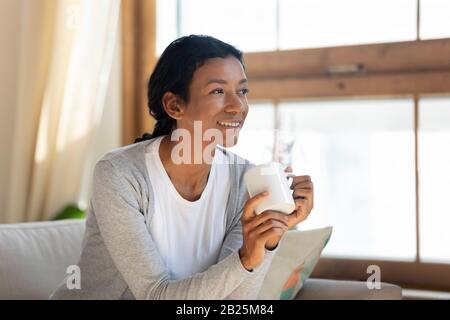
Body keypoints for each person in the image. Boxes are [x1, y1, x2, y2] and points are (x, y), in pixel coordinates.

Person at [50, 35, 314, 300]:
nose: (238, 106)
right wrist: (245, 260)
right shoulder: (120, 175)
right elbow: (156, 295)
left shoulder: (243, 181)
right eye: (218, 91)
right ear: (174, 105)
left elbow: (234, 302)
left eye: (242, 91)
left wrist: (267, 240)